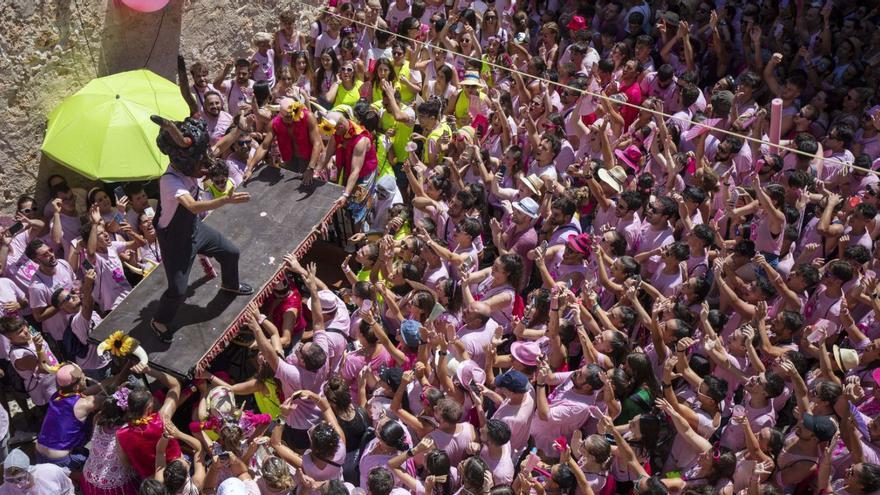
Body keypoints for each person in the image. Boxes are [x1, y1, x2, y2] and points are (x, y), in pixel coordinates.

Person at [149, 117, 254, 342]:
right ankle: (159, 321)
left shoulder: (195, 161)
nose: (206, 164)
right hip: (176, 243)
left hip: (194, 229)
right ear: (184, 160)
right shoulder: (169, 181)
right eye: (201, 161)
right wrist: (224, 201)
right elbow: (193, 206)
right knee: (178, 291)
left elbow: (219, 146)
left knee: (231, 253)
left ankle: (230, 284)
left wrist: (238, 130)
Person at [0, 448, 74, 494]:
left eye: (20, 478)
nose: (17, 485)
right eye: (11, 480)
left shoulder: (51, 471)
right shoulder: (6, 489)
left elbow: (67, 488)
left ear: (28, 471)